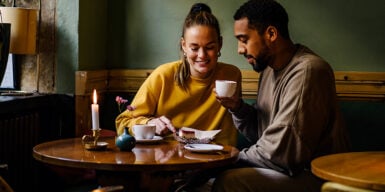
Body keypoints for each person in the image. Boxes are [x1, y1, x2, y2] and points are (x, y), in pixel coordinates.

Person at [212, 0, 350, 191]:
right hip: (286, 171)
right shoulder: (268, 70)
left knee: (231, 181)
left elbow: (281, 153)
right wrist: (237, 108)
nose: (240, 49)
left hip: (317, 177)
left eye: (244, 40)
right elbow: (264, 136)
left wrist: (225, 160)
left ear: (271, 34)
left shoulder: (308, 71)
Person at [115, 3, 241, 146]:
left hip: (217, 161)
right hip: (169, 162)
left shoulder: (231, 75)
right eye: (194, 48)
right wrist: (149, 123)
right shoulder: (163, 76)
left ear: (220, 44)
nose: (202, 55)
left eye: (210, 47)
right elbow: (122, 123)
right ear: (184, 46)